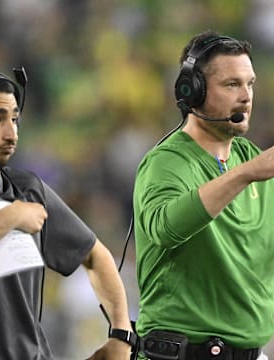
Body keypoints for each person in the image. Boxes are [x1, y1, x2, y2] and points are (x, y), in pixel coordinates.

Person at [0, 66, 135, 360]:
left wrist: (121, 334)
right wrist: (10, 217)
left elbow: (95, 255)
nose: (11, 133)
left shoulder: (28, 188)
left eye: (14, 119)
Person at [132, 30, 274, 360]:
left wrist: (247, 170)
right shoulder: (167, 162)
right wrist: (244, 174)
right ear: (192, 90)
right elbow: (165, 229)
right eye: (231, 84)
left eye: (250, 83)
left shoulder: (251, 160)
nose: (246, 96)